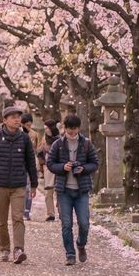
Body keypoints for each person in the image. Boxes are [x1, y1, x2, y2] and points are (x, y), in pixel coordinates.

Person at [0, 106, 38, 264]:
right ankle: (5, 248)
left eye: (18, 116)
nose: (17, 119)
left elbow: (30, 163)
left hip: (19, 185)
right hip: (0, 185)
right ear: (4, 120)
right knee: (1, 219)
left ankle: (18, 249)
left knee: (18, 217)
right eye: (13, 117)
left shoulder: (25, 138)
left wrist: (33, 184)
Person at [47, 114, 99, 266]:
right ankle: (70, 253)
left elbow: (95, 163)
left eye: (74, 129)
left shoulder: (86, 144)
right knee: (66, 224)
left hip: (81, 190)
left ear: (78, 128)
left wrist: (83, 168)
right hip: (64, 190)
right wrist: (63, 167)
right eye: (69, 129)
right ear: (65, 128)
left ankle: (81, 244)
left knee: (84, 223)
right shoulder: (58, 144)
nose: (71, 132)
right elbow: (51, 164)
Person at [21, 112, 42, 220]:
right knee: (21, 188)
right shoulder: (18, 134)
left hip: (31, 162)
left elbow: (38, 150)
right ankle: (20, 209)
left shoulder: (35, 135)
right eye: (25, 125)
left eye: (29, 125)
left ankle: (26, 211)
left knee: (28, 188)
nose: (27, 127)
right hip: (19, 163)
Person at [38, 120, 60, 221]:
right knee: (48, 191)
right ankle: (50, 213)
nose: (46, 130)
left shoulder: (60, 139)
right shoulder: (44, 139)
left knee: (60, 190)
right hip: (48, 167)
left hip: (59, 166)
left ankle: (61, 211)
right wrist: (42, 165)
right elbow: (40, 152)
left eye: (47, 128)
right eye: (45, 128)